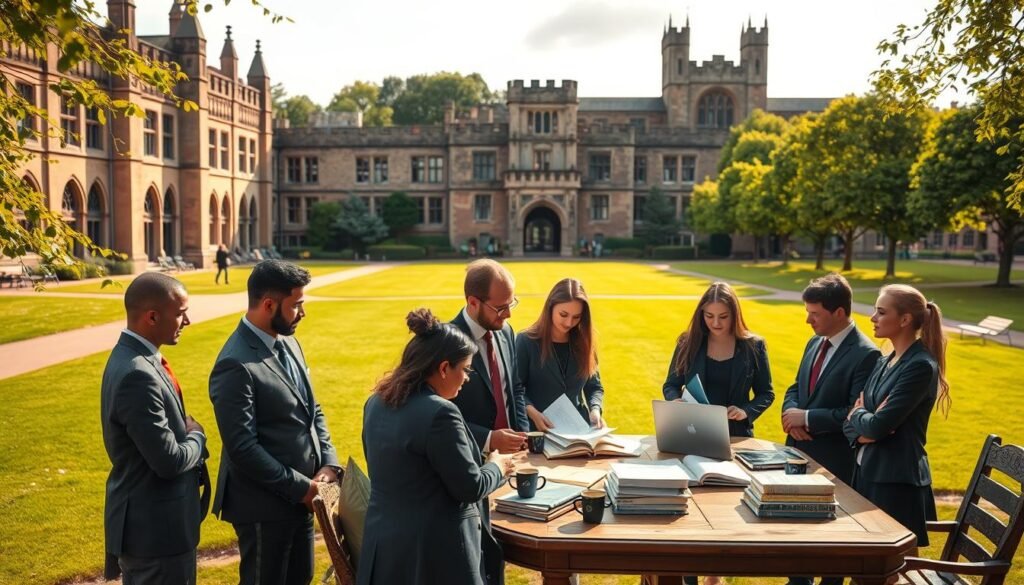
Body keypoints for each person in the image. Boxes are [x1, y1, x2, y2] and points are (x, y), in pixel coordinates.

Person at [359, 309, 516, 585]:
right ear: (444, 368)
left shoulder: (375, 403)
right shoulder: (441, 413)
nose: (467, 378)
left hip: (385, 549)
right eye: (465, 369)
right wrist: (497, 465)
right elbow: (470, 487)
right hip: (434, 557)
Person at [209, 260, 340, 585]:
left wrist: (328, 464)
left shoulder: (289, 342)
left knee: (301, 577)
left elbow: (313, 410)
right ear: (268, 305)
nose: (302, 313)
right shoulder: (234, 364)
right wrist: (303, 488)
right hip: (263, 508)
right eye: (296, 305)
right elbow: (242, 448)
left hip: (306, 498)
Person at [100, 272, 209, 584]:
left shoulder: (135, 358)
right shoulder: (138, 374)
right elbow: (169, 461)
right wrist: (197, 436)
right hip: (156, 534)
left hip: (153, 528)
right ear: (151, 316)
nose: (186, 321)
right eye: (180, 314)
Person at [782, 274, 880, 585]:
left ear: (839, 312)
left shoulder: (867, 354)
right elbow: (796, 387)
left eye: (814, 313)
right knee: (795, 530)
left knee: (829, 538)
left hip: (833, 461)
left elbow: (854, 413)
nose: (807, 320)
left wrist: (807, 418)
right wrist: (791, 414)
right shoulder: (815, 341)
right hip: (798, 452)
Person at [843, 284, 950, 554]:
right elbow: (854, 421)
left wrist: (861, 416)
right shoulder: (885, 360)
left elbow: (878, 426)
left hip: (895, 482)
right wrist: (861, 420)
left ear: (904, 320)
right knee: (865, 566)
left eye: (881, 312)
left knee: (895, 570)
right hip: (866, 472)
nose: (872, 318)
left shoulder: (920, 366)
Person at [662, 281, 774, 437]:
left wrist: (745, 411)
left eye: (723, 317)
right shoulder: (687, 343)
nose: (715, 323)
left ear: (735, 315)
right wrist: (674, 401)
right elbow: (671, 385)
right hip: (692, 430)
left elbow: (766, 393)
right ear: (701, 314)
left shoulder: (754, 346)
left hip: (736, 434)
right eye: (709, 316)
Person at [451, 259, 529, 453]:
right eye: (501, 308)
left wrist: (522, 435)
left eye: (511, 304)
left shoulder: (506, 331)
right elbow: (436, 412)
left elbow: (515, 388)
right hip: (471, 459)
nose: (508, 314)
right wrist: (488, 439)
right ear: (473, 302)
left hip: (514, 457)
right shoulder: (446, 343)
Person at [516, 278, 605, 431]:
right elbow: (515, 387)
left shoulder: (585, 342)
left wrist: (595, 409)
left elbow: (594, 387)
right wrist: (532, 412)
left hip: (579, 431)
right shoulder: (526, 341)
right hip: (537, 430)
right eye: (563, 314)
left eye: (576, 317)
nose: (569, 323)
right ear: (550, 307)